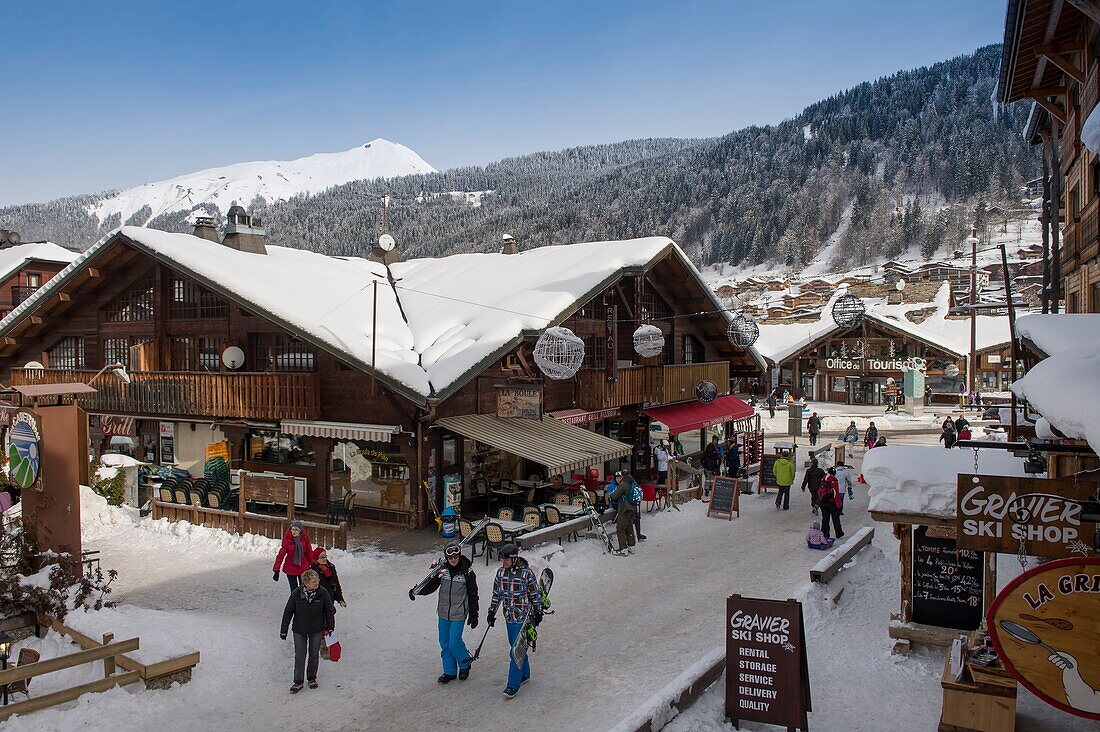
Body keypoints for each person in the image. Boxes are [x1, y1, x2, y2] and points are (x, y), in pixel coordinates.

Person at [414, 540, 480, 683]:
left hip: (459, 613)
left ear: (459, 555)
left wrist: (474, 614)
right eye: (450, 557)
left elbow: (473, 594)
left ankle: (465, 663)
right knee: (444, 642)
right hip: (443, 612)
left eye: (456, 557)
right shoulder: (442, 571)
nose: (453, 560)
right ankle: (449, 671)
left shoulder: (467, 572)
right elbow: (431, 586)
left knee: (454, 641)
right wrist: (416, 592)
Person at [486, 544, 543, 698]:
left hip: (522, 617)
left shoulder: (526, 573)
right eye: (502, 558)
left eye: (505, 558)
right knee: (515, 646)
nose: (503, 561)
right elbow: (497, 594)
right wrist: (491, 611)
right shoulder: (500, 573)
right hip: (509, 617)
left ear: (513, 558)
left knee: (515, 651)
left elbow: (534, 593)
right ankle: (525, 674)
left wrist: (538, 611)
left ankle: (513, 684)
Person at [280, 568, 335, 693]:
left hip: (317, 628)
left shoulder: (322, 592)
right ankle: (298, 681)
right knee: (300, 655)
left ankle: (312, 678)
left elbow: (329, 611)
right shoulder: (296, 594)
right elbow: (288, 612)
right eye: (314, 581)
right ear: (305, 583)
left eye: (317, 581)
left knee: (314, 654)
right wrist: (284, 630)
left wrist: (330, 627)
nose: (317, 583)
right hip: (299, 629)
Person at [273, 520, 313, 591]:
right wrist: (276, 570)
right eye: (292, 529)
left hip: (302, 567)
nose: (294, 531)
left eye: (296, 530)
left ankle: (303, 602)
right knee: (294, 590)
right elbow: (281, 555)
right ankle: (295, 602)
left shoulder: (304, 538)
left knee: (304, 589)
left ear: (300, 531)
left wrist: (312, 564)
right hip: (290, 568)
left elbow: (309, 551)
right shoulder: (287, 540)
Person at [610, 469, 640, 553]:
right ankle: (631, 546)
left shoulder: (623, 484)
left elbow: (615, 496)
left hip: (625, 509)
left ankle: (623, 548)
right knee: (629, 527)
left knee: (621, 528)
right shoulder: (633, 482)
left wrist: (610, 495)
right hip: (633, 508)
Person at [817, 471, 844, 540]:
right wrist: (839, 505)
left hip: (823, 502)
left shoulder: (823, 478)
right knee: (835, 518)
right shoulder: (833, 480)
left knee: (825, 519)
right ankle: (839, 533)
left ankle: (825, 534)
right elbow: (836, 493)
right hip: (831, 503)